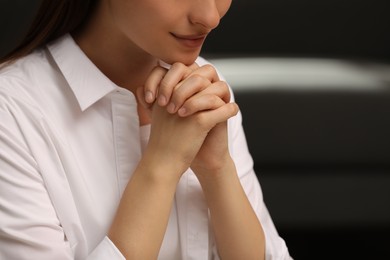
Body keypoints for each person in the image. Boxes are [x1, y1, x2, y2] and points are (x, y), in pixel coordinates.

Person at [0, 0, 292, 259]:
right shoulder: (11, 112)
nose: (211, 17)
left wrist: (217, 169)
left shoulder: (205, 88)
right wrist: (162, 164)